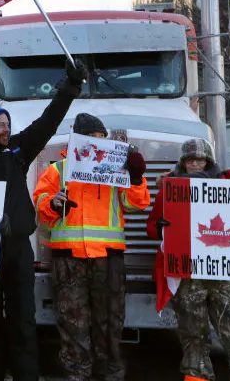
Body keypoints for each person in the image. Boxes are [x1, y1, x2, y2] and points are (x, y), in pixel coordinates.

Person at [0, 60, 87, 381]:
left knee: (23, 318)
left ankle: (26, 374)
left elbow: (48, 122)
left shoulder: (18, 150)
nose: (6, 130)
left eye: (7, 125)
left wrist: (70, 87)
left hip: (17, 250)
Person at [146, 139, 230, 381]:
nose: (195, 163)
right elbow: (152, 228)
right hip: (188, 274)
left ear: (209, 161)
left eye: (200, 159)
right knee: (193, 338)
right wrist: (159, 226)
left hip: (225, 274)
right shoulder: (170, 188)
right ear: (183, 163)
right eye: (189, 159)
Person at [32, 113, 150, 381]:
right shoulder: (57, 170)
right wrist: (52, 203)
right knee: (72, 326)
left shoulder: (117, 170)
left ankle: (111, 376)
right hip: (69, 260)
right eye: (91, 138)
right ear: (78, 140)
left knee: (110, 325)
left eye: (101, 138)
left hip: (107, 259)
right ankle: (78, 376)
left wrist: (136, 177)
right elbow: (41, 203)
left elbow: (136, 204)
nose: (98, 142)